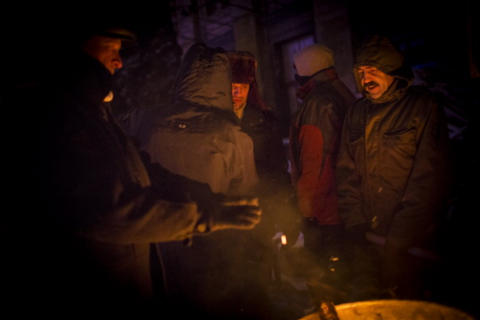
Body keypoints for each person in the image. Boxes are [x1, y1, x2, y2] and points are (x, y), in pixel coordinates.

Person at [1, 26, 261, 316]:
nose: (119, 61)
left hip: (127, 280)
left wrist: (204, 198)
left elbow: (141, 167)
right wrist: (204, 215)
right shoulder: (49, 111)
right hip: (85, 290)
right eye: (110, 48)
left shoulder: (95, 111)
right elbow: (106, 207)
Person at [120, 43, 263, 319]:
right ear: (224, 82)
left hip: (152, 247)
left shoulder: (144, 119)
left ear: (183, 76)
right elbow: (246, 195)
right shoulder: (235, 136)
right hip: (208, 251)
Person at [335, 35, 453, 301]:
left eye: (373, 71)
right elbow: (345, 173)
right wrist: (355, 224)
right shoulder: (356, 113)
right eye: (361, 73)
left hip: (412, 243)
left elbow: (429, 178)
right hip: (368, 239)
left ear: (391, 71)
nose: (366, 79)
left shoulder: (422, 108)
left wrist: (401, 237)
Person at [227, 50, 301, 318]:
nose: (237, 92)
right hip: (224, 216)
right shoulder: (212, 121)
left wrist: (286, 214)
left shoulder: (264, 121)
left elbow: (279, 171)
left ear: (250, 88)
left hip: (259, 212)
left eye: (243, 87)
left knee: (258, 278)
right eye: (232, 87)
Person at [288, 43, 356, 304]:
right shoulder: (342, 93)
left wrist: (306, 211)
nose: (294, 75)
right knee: (345, 279)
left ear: (306, 71)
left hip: (325, 212)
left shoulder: (318, 103)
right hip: (348, 206)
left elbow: (315, 163)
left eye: (296, 70)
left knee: (324, 283)